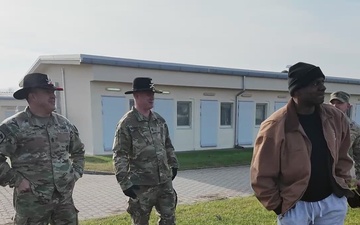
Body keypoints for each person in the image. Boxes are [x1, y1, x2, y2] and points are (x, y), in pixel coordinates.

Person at [250, 62, 355, 225]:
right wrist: (277, 206)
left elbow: (343, 157)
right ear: (297, 90)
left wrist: (344, 187)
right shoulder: (274, 126)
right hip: (295, 208)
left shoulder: (335, 118)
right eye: (315, 83)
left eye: (322, 82)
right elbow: (261, 174)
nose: (323, 88)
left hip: (332, 204)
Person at [0, 73, 85, 224]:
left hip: (64, 202)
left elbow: (78, 151)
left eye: (53, 92)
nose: (53, 96)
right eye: (47, 92)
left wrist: (75, 174)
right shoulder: (13, 126)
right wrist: (17, 180)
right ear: (32, 96)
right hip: (32, 203)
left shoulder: (64, 124)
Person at [113, 77, 179, 225]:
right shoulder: (127, 123)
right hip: (141, 186)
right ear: (136, 96)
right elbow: (120, 154)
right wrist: (124, 183)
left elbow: (167, 144)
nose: (152, 97)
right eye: (147, 93)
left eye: (153, 93)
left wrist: (173, 163)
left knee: (169, 220)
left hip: (164, 183)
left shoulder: (159, 121)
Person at [330, 91, 360, 180]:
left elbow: (358, 155)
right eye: (332, 103)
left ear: (348, 106)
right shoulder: (321, 125)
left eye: (339, 103)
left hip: (346, 177)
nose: (335, 106)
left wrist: (357, 179)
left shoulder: (355, 129)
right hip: (324, 175)